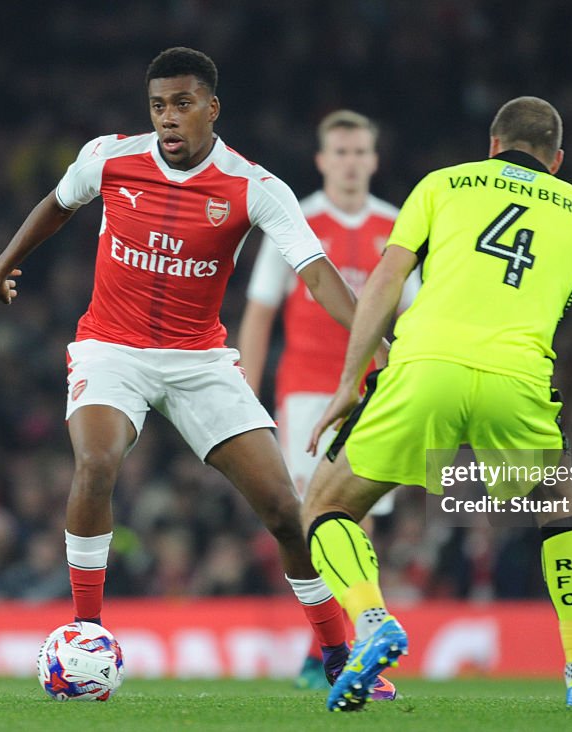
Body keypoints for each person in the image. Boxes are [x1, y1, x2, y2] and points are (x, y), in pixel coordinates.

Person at [300, 96, 572, 712]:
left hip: (425, 367)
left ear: (492, 145)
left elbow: (385, 280)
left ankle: (374, 620)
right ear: (557, 161)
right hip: (517, 384)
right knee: (558, 510)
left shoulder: (442, 185)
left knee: (326, 505)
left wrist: (351, 379)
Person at [0, 47, 393, 700]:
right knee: (95, 462)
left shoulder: (254, 187)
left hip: (200, 362)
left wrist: (377, 346)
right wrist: (3, 263)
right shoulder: (110, 157)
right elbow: (58, 204)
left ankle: (339, 654)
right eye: (157, 106)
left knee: (287, 512)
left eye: (181, 105)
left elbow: (317, 274)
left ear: (211, 108)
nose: (167, 119)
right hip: (110, 349)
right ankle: (87, 633)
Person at [237, 109, 417, 689]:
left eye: (360, 151)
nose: (350, 162)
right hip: (307, 394)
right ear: (322, 160)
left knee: (351, 522)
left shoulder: (398, 224)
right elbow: (260, 316)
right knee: (318, 517)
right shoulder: (296, 220)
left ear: (374, 158)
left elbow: (413, 318)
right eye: (340, 152)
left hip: (373, 395)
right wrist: (247, 396)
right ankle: (340, 644)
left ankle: (339, 648)